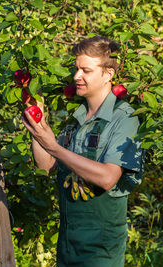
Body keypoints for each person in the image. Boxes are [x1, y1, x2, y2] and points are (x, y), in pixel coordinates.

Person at [22, 36, 143, 266]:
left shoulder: (125, 118)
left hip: (101, 252)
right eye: (76, 69)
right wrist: (37, 127)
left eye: (85, 70)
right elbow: (46, 166)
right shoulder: (76, 119)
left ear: (108, 74)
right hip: (68, 247)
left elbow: (108, 178)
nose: (77, 76)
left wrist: (53, 146)